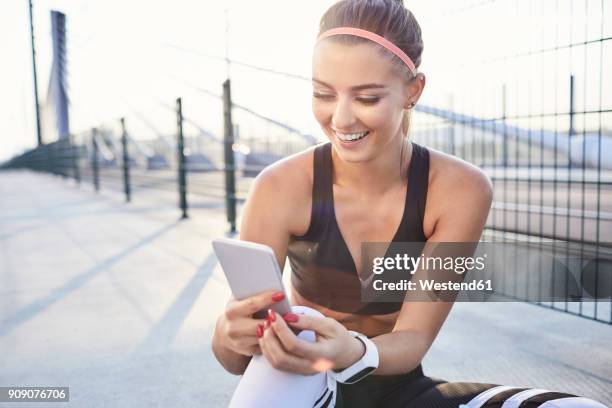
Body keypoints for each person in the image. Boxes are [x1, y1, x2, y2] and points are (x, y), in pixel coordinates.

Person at [211, 1, 608, 407]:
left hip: (397, 386)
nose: (341, 118)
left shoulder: (460, 189)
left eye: (366, 98)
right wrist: (229, 334)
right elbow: (234, 359)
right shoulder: (279, 186)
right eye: (323, 94)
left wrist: (353, 350)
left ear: (413, 91)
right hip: (300, 379)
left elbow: (414, 339)